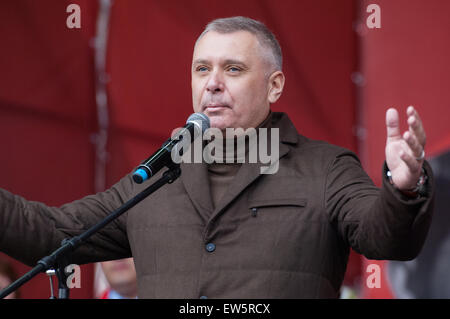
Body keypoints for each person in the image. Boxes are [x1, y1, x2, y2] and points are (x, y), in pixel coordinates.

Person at [0, 16, 434, 298]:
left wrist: (403, 187)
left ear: (275, 85)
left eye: (233, 69)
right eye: (202, 69)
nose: (212, 83)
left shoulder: (326, 168)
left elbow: (387, 238)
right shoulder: (157, 174)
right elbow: (50, 232)